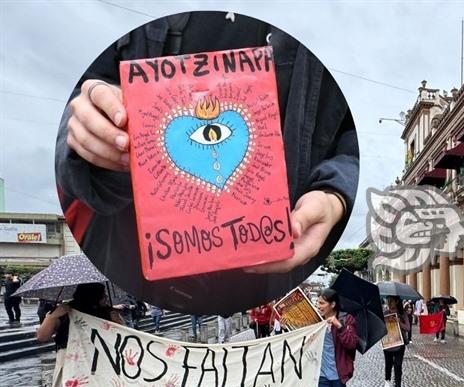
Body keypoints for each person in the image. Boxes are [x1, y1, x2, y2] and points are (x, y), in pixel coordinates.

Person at [55, 12, 358, 315]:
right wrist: (86, 125)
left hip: (271, 274)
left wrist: (335, 194)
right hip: (133, 261)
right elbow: (83, 90)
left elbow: (354, 137)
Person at [383, 297, 411, 387]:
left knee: (398, 364)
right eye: (388, 301)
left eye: (391, 301)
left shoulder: (402, 313)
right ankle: (387, 380)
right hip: (388, 341)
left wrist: (399, 322)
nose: (389, 303)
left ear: (397, 301)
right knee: (388, 363)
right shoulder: (385, 313)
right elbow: (381, 327)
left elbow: (408, 328)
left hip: (400, 342)